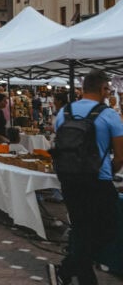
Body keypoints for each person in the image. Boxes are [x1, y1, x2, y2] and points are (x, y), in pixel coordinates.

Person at [46, 70, 123, 285]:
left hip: (69, 179)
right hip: (98, 180)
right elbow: (120, 156)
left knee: (81, 227)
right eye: (107, 88)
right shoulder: (108, 114)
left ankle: (74, 273)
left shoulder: (65, 112)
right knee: (109, 227)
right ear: (103, 89)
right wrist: (109, 170)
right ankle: (68, 269)